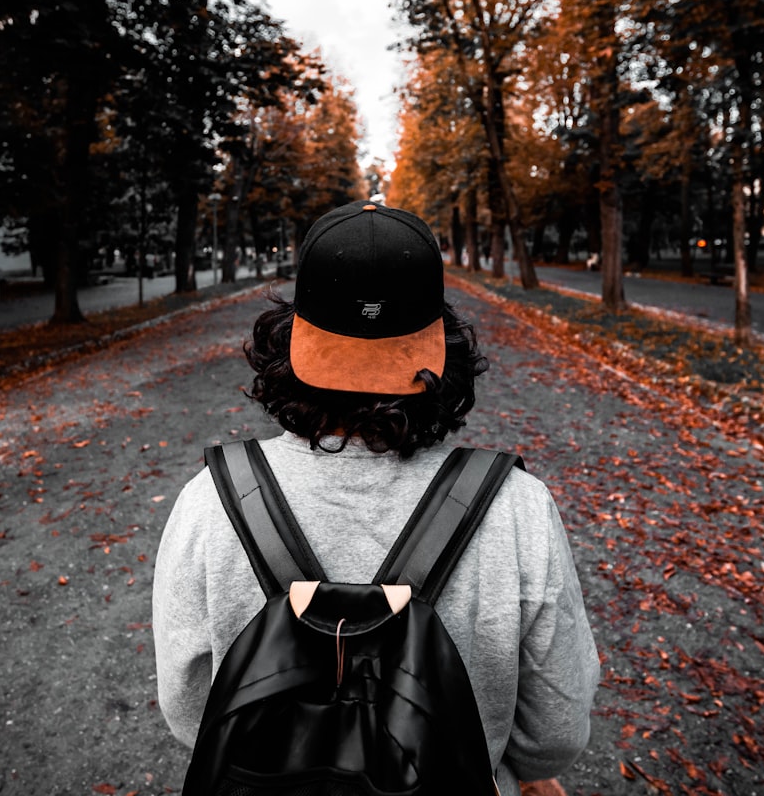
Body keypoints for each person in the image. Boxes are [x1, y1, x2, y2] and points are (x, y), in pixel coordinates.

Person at [152, 200, 600, 795]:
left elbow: (190, 716)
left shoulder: (211, 501)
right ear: (443, 345)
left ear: (291, 337)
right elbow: (555, 734)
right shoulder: (518, 510)